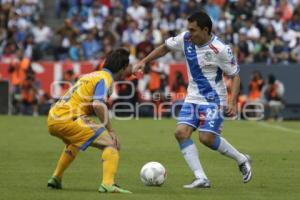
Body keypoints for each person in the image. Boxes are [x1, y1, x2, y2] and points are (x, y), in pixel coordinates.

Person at [134, 11, 252, 188]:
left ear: (205, 30)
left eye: (193, 30)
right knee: (180, 133)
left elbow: (235, 75)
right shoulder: (186, 39)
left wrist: (232, 102)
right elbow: (165, 47)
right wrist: (144, 61)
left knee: (206, 138)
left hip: (214, 100)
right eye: (188, 29)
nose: (189, 33)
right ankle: (201, 178)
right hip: (192, 98)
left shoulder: (220, 49)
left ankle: (241, 159)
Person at [47, 48, 132, 194]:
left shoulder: (91, 75)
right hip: (70, 118)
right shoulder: (106, 79)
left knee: (75, 142)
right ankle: (108, 184)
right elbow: (97, 105)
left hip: (53, 117)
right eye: (127, 68)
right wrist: (111, 130)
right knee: (111, 143)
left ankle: (56, 177)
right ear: (122, 68)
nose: (127, 72)